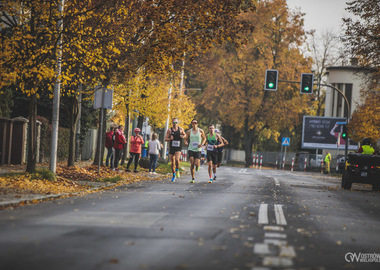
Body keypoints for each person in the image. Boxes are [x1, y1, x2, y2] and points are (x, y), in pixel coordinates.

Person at [184, 119, 206, 183]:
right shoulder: (189, 131)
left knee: (197, 163)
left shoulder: (201, 131)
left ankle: (198, 166)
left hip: (198, 149)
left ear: (197, 124)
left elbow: (204, 138)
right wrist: (186, 142)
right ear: (192, 124)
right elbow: (185, 139)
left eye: (195, 123)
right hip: (191, 149)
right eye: (193, 123)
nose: (194, 124)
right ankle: (193, 178)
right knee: (192, 163)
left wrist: (202, 144)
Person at [165, 117, 186, 182]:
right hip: (172, 147)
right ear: (172, 123)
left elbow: (185, 135)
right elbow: (165, 139)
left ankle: (177, 170)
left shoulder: (180, 129)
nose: (175, 124)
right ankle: (173, 174)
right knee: (172, 162)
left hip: (178, 147)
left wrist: (183, 136)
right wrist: (169, 139)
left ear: (177, 123)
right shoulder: (169, 130)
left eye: (176, 123)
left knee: (177, 159)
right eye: (174, 123)